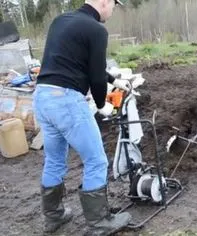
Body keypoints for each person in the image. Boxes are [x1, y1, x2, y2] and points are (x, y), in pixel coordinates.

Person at [33, 0, 132, 235]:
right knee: (96, 160)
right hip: (66, 100)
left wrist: (114, 80)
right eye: (114, 5)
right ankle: (99, 224)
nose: (113, 10)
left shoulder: (61, 21)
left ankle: (54, 217)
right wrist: (101, 105)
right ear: (104, 2)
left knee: (55, 160)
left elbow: (77, 62)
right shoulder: (97, 30)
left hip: (43, 97)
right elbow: (95, 77)